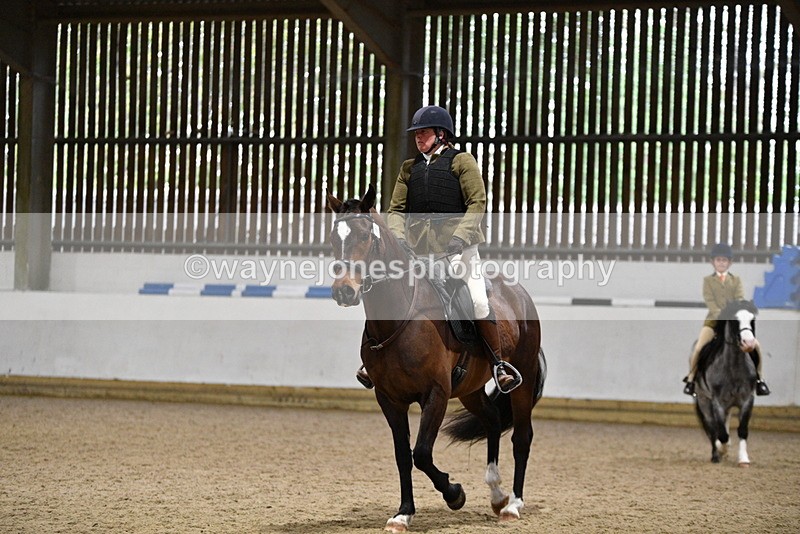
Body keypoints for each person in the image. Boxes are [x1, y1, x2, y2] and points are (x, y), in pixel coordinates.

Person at [355, 105, 522, 394]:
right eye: (417, 133)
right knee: (387, 293)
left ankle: (498, 365)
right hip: (418, 254)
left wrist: (460, 237)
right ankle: (372, 360)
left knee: (479, 301)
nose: (419, 138)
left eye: (424, 132)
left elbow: (477, 203)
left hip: (459, 250)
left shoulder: (462, 162)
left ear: (441, 134)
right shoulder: (409, 169)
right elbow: (396, 210)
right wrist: (400, 238)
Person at [683, 243, 770, 396]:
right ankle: (691, 379)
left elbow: (739, 299)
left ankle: (759, 380)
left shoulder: (736, 280)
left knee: (756, 346)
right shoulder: (708, 281)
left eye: (724, 260)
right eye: (718, 260)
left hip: (735, 321)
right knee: (699, 348)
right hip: (714, 321)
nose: (721, 263)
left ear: (730, 263)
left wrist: (734, 315)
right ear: (713, 262)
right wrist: (724, 316)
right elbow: (710, 302)